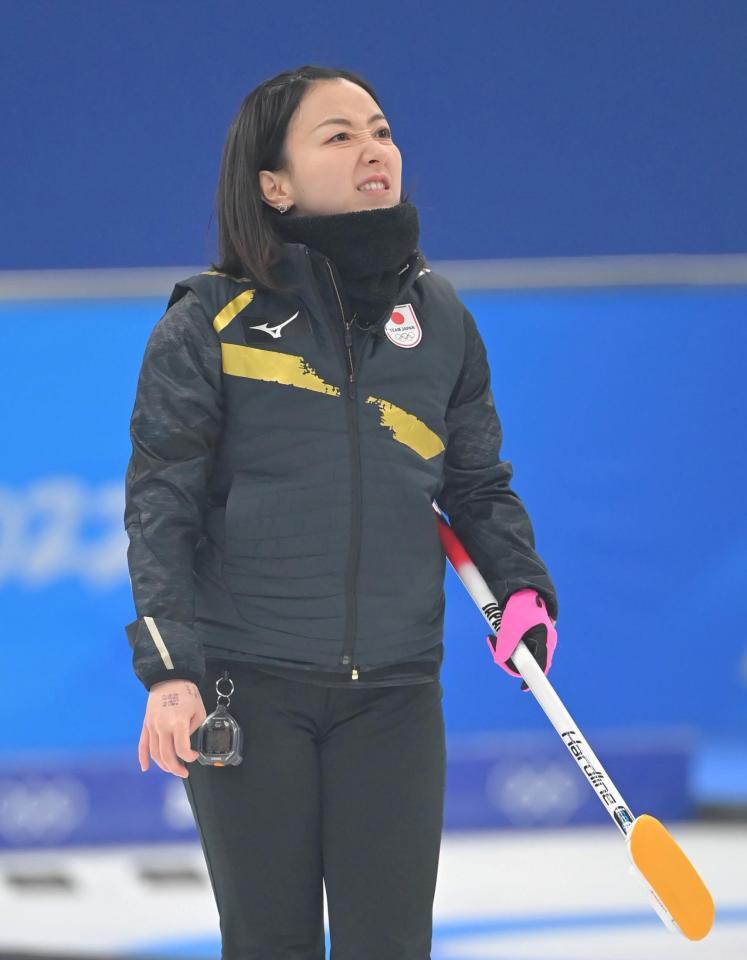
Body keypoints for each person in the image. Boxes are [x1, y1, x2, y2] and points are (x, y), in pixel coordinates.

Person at [123, 64, 559, 960]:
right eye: (339, 135)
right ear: (273, 185)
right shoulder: (209, 320)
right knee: (270, 943)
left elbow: (474, 484)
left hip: (396, 698)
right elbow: (161, 498)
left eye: (382, 130)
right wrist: (170, 669)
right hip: (248, 688)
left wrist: (521, 586)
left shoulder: (441, 320)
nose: (374, 149)